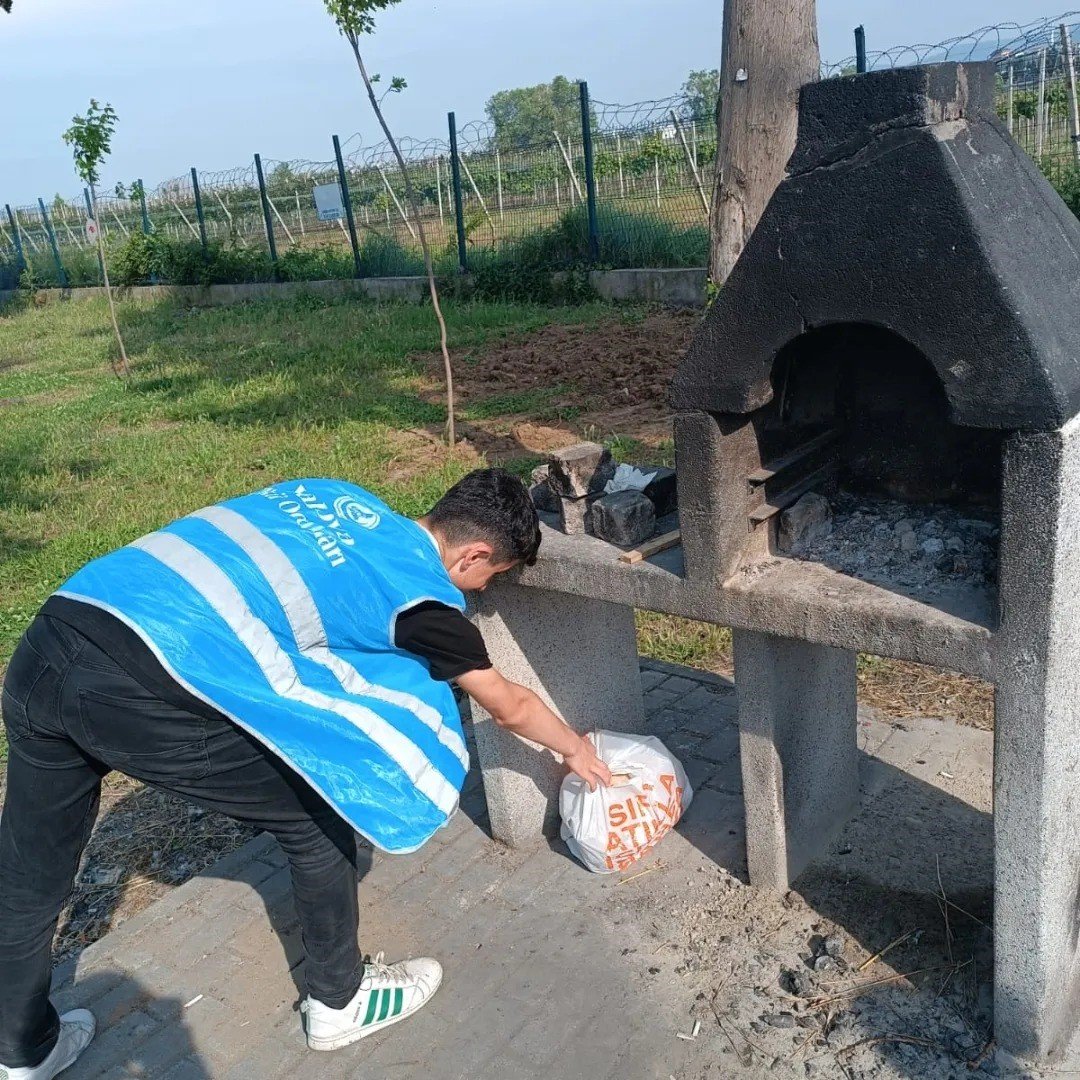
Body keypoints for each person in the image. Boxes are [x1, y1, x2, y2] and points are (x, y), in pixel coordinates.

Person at [0, 469, 611, 1079]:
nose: (481, 589)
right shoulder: (422, 604)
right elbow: (507, 705)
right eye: (491, 577)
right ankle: (339, 1003)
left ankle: (22, 1051)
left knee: (29, 875)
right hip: (143, 684)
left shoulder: (334, 495)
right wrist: (574, 751)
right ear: (474, 555)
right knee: (320, 815)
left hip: (58, 633)